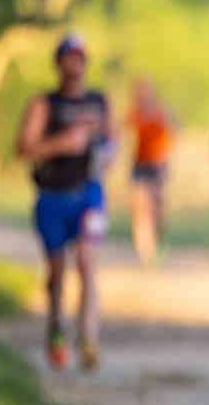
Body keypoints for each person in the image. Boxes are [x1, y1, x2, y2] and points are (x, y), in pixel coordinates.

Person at [15, 32, 112, 371]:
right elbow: (24, 149)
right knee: (57, 273)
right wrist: (61, 144)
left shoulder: (99, 102)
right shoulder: (45, 104)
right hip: (52, 196)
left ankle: (88, 338)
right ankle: (56, 327)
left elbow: (111, 141)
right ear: (58, 63)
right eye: (70, 57)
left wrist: (108, 154)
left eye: (81, 57)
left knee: (87, 263)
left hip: (89, 192)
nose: (76, 64)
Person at [125, 77, 177, 265]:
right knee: (141, 209)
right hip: (139, 166)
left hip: (157, 166)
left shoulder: (160, 113)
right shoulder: (135, 113)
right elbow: (123, 133)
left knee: (158, 210)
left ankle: (157, 241)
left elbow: (172, 133)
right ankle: (145, 251)